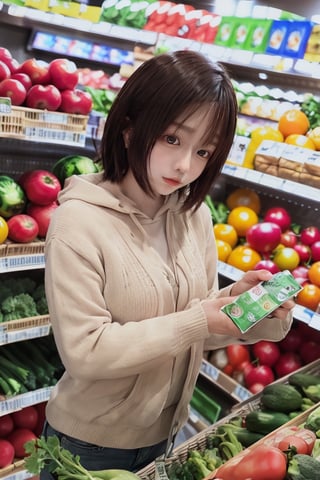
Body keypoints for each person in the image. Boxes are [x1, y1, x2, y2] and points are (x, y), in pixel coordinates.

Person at [42, 50, 294, 476]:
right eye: (173, 139)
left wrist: (241, 307)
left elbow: (195, 329)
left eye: (203, 152)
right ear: (129, 128)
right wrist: (199, 320)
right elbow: (85, 351)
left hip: (167, 438)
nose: (184, 165)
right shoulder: (78, 221)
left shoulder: (191, 215)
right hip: (88, 447)